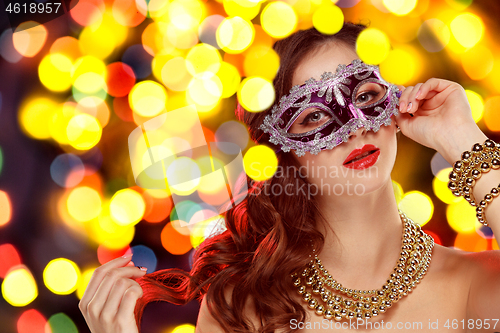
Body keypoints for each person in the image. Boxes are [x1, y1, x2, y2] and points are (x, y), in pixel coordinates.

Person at [79, 22, 500, 333]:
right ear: (281, 151)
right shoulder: (241, 308)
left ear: (393, 107)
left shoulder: (473, 286)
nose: (354, 127)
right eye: (314, 115)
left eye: (366, 96)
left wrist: (461, 138)